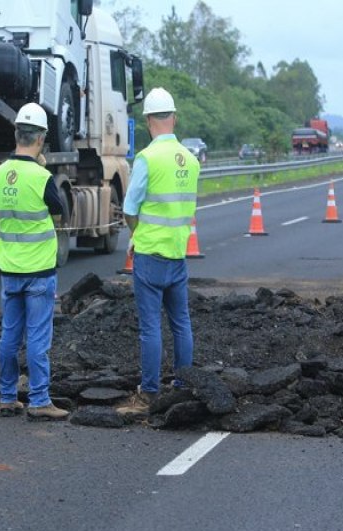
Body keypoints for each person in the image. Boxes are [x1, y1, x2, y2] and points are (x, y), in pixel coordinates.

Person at [122, 87, 200, 410]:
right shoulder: (191, 161)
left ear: (148, 121)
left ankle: (150, 391)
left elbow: (129, 207)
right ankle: (183, 383)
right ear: (174, 118)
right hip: (177, 254)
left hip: (150, 253)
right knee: (181, 322)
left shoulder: (147, 159)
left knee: (151, 326)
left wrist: (135, 234)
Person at [0, 102, 69, 421]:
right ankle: (39, 400)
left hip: (9, 268)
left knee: (10, 336)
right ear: (40, 139)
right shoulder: (41, 176)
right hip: (38, 271)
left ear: (16, 133)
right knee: (38, 338)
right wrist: (41, 166)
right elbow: (61, 209)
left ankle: (8, 397)